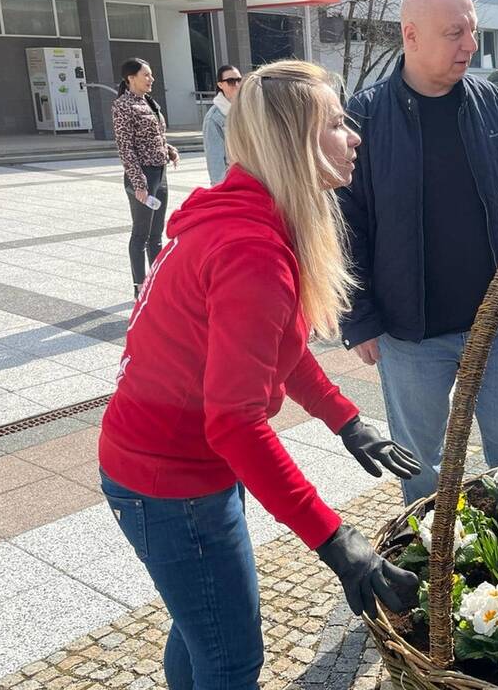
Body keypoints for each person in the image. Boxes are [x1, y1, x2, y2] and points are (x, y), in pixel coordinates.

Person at [99, 60, 422, 689]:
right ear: (295, 143)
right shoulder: (251, 249)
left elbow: (278, 346)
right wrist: (334, 540)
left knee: (199, 628)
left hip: (167, 464)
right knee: (230, 657)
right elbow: (235, 423)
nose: (354, 136)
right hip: (172, 477)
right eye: (335, 124)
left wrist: (348, 422)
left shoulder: (248, 217)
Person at [337, 0, 498, 504]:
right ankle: (433, 574)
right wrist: (358, 317)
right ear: (410, 35)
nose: (470, 45)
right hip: (409, 335)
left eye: (473, 31)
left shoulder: (492, 106)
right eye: (454, 32)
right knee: (421, 469)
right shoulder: (364, 116)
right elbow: (345, 226)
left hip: (492, 325)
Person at [112, 58, 179, 299]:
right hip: (143, 175)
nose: (151, 79)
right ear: (131, 78)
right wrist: (139, 184)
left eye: (151, 75)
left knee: (156, 233)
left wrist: (169, 149)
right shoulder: (123, 105)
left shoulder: (149, 102)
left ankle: (157, 280)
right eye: (146, 75)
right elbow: (126, 148)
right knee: (140, 233)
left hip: (159, 173)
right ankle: (139, 286)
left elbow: (155, 135)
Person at [202, 64, 243, 184]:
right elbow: (215, 159)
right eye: (230, 81)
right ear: (220, 85)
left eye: (239, 80)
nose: (236, 85)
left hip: (256, 176)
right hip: (234, 180)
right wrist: (220, 189)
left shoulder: (249, 109)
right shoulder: (214, 118)